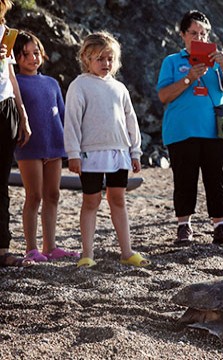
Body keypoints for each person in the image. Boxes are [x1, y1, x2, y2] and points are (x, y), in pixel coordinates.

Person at [63, 31, 149, 268]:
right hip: (90, 154)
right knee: (91, 202)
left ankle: (127, 251)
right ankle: (87, 254)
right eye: (99, 58)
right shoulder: (79, 85)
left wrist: (135, 152)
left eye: (110, 58)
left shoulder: (120, 88)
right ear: (86, 58)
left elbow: (131, 120)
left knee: (118, 200)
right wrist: (73, 154)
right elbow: (71, 121)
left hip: (118, 153)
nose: (106, 63)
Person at [157, 10, 223, 246]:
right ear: (183, 34)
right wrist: (188, 79)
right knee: (185, 179)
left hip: (215, 129)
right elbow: (163, 95)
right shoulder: (172, 61)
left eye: (203, 34)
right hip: (182, 130)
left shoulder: (217, 62)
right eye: (194, 33)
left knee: (217, 179)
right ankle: (184, 227)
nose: (200, 38)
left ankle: (220, 227)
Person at [13, 30, 79, 262]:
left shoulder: (51, 83)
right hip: (29, 147)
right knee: (34, 196)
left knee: (53, 195)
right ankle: (32, 248)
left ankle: (50, 246)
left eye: (36, 52)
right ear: (15, 57)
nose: (33, 58)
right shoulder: (14, 83)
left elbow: (62, 116)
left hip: (55, 145)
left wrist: (71, 146)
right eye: (26, 54)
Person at [0, 0, 33, 268]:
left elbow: (10, 76)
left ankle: (2, 249)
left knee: (1, 183)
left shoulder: (5, 31)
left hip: (6, 109)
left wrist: (22, 115)